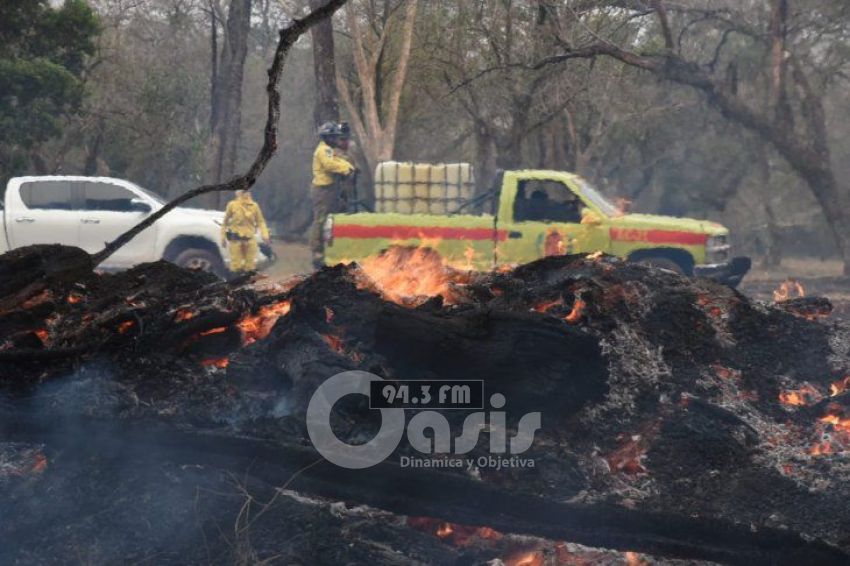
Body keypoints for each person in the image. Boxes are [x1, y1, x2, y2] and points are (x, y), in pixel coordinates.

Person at [310, 121, 356, 269]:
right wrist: (345, 169)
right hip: (323, 190)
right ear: (328, 137)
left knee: (330, 219)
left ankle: (329, 250)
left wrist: (347, 166)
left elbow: (336, 160)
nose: (337, 139)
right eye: (334, 136)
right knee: (321, 219)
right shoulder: (323, 150)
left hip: (329, 189)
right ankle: (317, 253)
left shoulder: (327, 149)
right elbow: (329, 165)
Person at [221, 189, 270, 273]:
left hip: (250, 239)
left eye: (247, 191)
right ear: (237, 193)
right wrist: (223, 237)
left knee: (250, 267)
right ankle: (235, 282)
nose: (245, 194)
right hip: (236, 240)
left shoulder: (254, 206)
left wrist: (265, 235)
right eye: (242, 191)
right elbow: (225, 222)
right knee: (236, 266)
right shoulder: (232, 205)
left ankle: (247, 282)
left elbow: (260, 221)